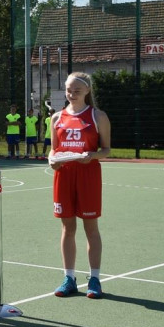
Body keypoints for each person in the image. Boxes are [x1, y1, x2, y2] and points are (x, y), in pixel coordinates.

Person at [50, 72, 111, 300]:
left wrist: (92, 155)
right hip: (63, 176)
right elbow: (53, 149)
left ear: (87, 91)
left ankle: (94, 278)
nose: (71, 94)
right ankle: (69, 278)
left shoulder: (98, 116)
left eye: (76, 90)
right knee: (67, 228)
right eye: (68, 90)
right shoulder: (56, 118)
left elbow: (107, 149)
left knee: (90, 228)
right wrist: (51, 160)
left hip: (88, 176)